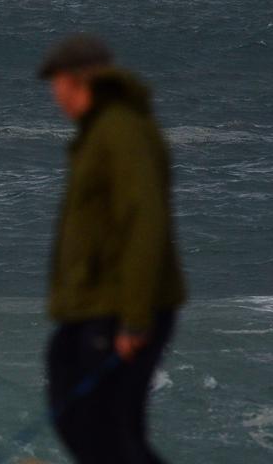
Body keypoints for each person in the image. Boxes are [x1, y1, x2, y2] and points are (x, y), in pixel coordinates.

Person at [38, 34, 187, 464]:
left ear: (78, 81)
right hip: (96, 305)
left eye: (58, 82)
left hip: (120, 307)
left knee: (102, 432)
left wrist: (135, 320)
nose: (55, 94)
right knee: (98, 425)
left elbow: (146, 222)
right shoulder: (102, 131)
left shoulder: (121, 132)